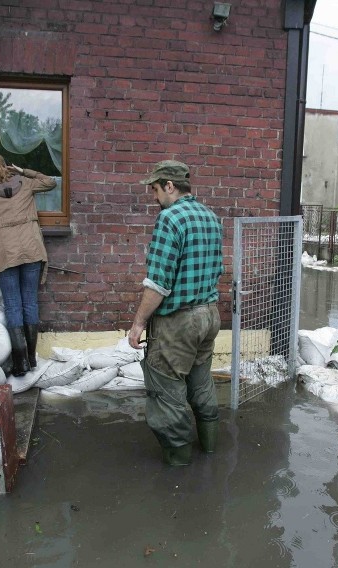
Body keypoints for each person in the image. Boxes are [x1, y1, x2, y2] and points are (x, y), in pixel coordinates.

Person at [128, 160, 224, 466]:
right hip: (209, 315)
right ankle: (209, 446)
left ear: (170, 186)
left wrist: (138, 324)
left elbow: (158, 283)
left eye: (155, 189)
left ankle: (179, 464)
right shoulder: (210, 216)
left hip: (178, 322)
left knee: (166, 391)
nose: (153, 197)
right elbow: (216, 268)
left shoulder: (170, 219)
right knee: (200, 381)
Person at [0, 152, 56, 376]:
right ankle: (32, 358)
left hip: (3, 250)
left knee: (13, 305)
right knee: (30, 302)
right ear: (6, 166)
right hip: (31, 246)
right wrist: (24, 171)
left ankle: (20, 363)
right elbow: (50, 182)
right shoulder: (24, 183)